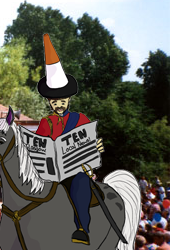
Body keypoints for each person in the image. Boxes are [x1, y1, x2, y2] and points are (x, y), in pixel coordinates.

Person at [35, 33, 104, 245]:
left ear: (69, 99)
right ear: (49, 103)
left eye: (62, 100)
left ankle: (82, 228)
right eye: (54, 102)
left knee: (80, 184)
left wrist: (96, 148)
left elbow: (90, 146)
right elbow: (38, 148)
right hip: (51, 172)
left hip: (77, 171)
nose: (58, 105)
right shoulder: (45, 123)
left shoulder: (81, 119)